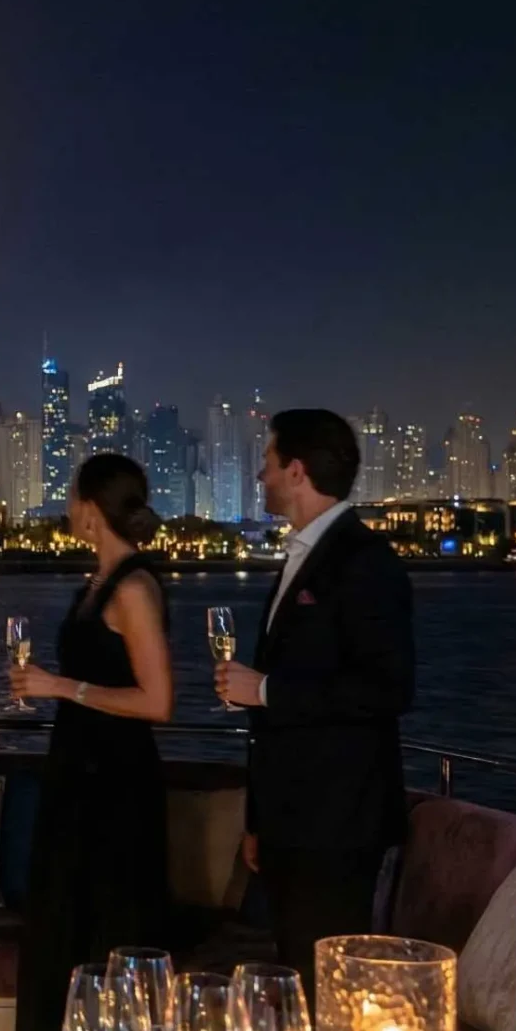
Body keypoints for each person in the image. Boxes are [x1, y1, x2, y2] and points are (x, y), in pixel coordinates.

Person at [216, 409, 414, 990]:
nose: (260, 475)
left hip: (338, 824)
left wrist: (264, 689)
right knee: (296, 971)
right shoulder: (303, 554)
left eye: (268, 461)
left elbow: (388, 687)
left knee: (327, 980)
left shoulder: (365, 561)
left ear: (297, 471)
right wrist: (259, 820)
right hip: (290, 821)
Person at [7, 453, 176, 1031]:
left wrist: (60, 686)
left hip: (115, 788)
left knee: (108, 929)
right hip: (77, 779)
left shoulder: (133, 588)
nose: (66, 507)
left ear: (91, 508)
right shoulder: (96, 584)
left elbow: (158, 702)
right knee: (66, 932)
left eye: (72, 496)